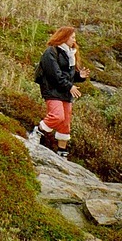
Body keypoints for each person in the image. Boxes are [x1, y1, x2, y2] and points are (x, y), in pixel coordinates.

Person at [33, 26, 90, 158]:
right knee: (57, 116)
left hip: (64, 92)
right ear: (64, 37)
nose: (75, 40)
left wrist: (79, 76)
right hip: (52, 91)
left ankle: (61, 151)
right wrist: (70, 86)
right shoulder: (50, 52)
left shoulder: (70, 53)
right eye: (73, 37)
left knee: (65, 123)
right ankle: (38, 131)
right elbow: (55, 75)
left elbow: (67, 75)